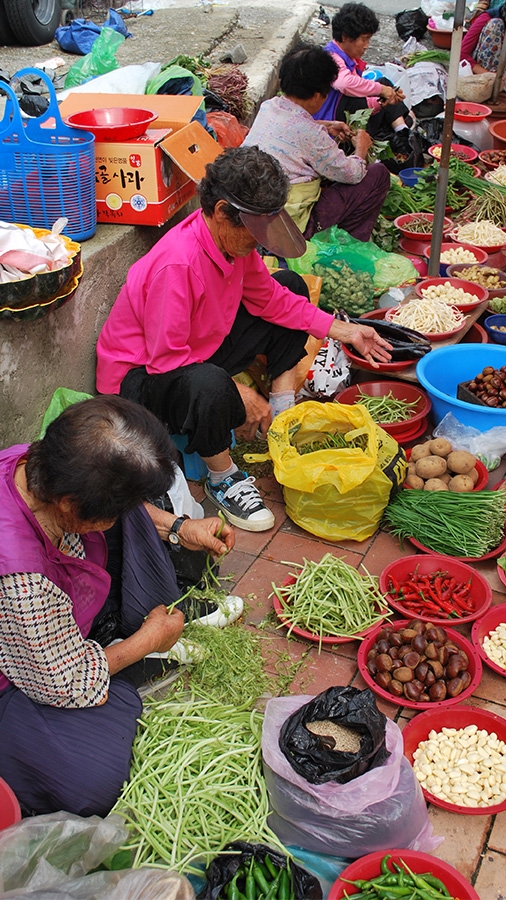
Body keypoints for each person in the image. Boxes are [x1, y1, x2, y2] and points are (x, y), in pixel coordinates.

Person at [96, 146, 393, 532]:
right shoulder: (178, 264)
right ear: (222, 213)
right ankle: (223, 478)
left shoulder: (231, 246)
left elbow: (269, 298)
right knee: (211, 383)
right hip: (139, 382)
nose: (259, 240)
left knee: (290, 285)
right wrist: (240, 392)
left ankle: (282, 411)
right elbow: (166, 359)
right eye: (253, 229)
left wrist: (345, 329)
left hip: (198, 346)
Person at [0, 395, 236, 817]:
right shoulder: (22, 583)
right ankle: (134, 644)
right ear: (71, 507)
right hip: (21, 672)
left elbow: (125, 505)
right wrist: (147, 642)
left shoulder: (34, 464)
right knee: (91, 781)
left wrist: (180, 528)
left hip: (50, 608)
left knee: (133, 511)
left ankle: (124, 632)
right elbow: (63, 681)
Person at [243, 43, 390, 240]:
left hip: (250, 206)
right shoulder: (312, 135)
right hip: (288, 223)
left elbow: (290, 127)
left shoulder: (269, 106)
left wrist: (325, 125)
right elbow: (353, 174)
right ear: (317, 96)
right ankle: (348, 242)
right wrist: (361, 148)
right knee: (378, 174)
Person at [314, 3, 410, 137]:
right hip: (331, 127)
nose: (366, 46)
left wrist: (383, 102)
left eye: (368, 40)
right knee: (372, 89)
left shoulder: (349, 59)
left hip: (346, 117)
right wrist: (381, 90)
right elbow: (345, 84)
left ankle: (403, 131)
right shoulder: (331, 57)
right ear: (345, 37)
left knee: (383, 84)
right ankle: (401, 129)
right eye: (364, 40)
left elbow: (364, 100)